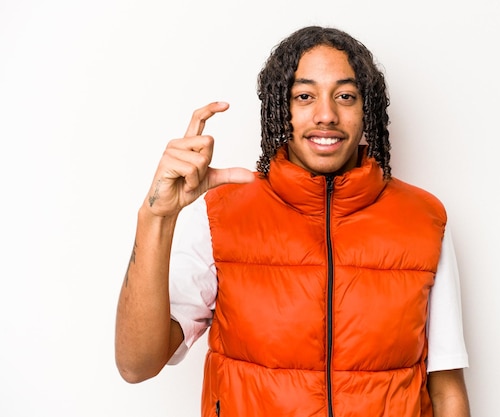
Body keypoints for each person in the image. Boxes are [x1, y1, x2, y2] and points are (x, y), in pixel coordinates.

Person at [115, 25, 471, 417]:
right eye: (305, 96)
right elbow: (137, 364)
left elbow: (446, 389)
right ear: (280, 109)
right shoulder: (221, 214)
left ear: (365, 108)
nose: (326, 114)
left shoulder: (423, 219)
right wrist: (156, 218)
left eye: (345, 96)